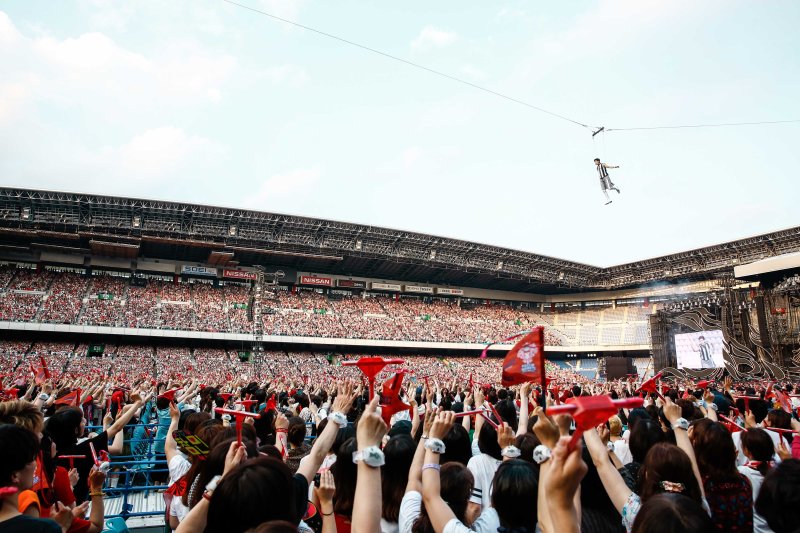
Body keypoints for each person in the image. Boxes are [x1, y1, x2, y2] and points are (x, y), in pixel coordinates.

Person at [0, 424, 69, 533]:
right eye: (32, 459)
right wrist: (62, 527)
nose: (36, 465)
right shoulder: (43, 528)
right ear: (14, 475)